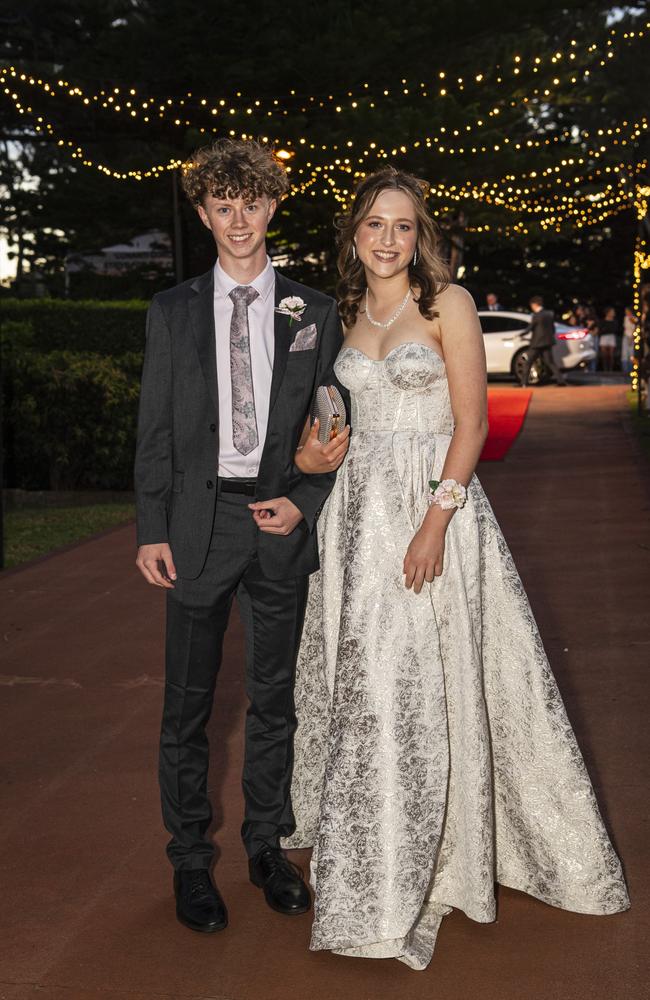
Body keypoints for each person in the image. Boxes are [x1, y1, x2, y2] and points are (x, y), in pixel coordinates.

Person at [283, 167, 629, 969]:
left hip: (431, 512)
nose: (387, 239)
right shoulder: (340, 313)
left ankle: (424, 862)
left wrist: (435, 523)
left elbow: (470, 425)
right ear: (353, 234)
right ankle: (373, 850)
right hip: (356, 520)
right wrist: (310, 454)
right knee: (364, 685)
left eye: (402, 226)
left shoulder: (450, 305)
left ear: (421, 235)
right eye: (373, 225)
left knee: (413, 684)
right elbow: (331, 426)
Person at [134, 138, 349, 934]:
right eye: (222, 206)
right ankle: (192, 860)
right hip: (196, 526)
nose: (238, 221)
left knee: (274, 700)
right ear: (202, 212)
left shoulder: (312, 311)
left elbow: (335, 424)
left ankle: (267, 847)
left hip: (276, 522)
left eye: (251, 203)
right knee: (187, 705)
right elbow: (154, 429)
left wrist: (306, 496)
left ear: (272, 206)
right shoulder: (172, 310)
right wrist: (151, 528)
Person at [519, 295, 567, 386]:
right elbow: (552, 329)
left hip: (537, 343)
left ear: (534, 304)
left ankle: (523, 383)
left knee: (528, 362)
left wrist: (521, 334)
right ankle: (561, 381)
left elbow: (530, 328)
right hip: (548, 342)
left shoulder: (536, 315)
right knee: (550, 362)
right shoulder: (550, 313)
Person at [599, 307, 618, 372]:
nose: (613, 313)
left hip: (611, 337)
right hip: (604, 338)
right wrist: (607, 330)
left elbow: (615, 330)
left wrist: (606, 329)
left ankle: (610, 370)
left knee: (611, 355)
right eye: (612, 311)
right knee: (604, 355)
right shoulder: (602, 321)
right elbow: (601, 330)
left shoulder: (615, 321)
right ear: (608, 313)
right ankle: (605, 369)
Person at [621, 307, 637, 376]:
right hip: (626, 336)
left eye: (627, 311)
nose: (626, 312)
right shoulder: (625, 318)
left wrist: (632, 337)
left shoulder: (635, 318)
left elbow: (634, 328)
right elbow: (625, 328)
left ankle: (631, 370)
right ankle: (625, 370)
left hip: (632, 337)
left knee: (631, 353)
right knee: (624, 353)